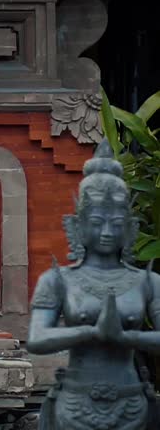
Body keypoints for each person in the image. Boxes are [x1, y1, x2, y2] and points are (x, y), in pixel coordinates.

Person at [27, 140, 160, 430]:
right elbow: (36, 338)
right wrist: (91, 331)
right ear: (78, 225)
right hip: (74, 404)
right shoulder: (57, 279)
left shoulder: (147, 281)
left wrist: (126, 338)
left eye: (117, 222)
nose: (107, 231)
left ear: (130, 227)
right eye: (98, 221)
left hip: (132, 402)